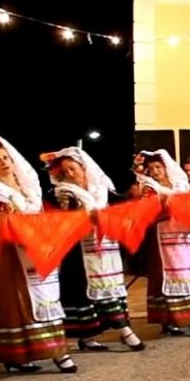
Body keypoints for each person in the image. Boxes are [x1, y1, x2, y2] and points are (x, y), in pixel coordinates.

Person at [0, 134, 74, 373]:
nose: (4, 162)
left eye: (6, 157)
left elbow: (45, 217)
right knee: (21, 304)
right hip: (13, 255)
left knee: (48, 299)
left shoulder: (29, 189)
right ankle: (27, 355)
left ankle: (56, 349)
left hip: (39, 250)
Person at [43, 147, 144, 352]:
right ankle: (124, 331)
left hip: (107, 247)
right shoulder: (65, 192)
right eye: (66, 171)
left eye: (73, 168)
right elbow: (67, 219)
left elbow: (119, 206)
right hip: (81, 251)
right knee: (90, 291)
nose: (70, 174)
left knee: (109, 287)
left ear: (83, 167)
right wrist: (86, 218)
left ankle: (88, 337)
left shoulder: (101, 188)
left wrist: (134, 199)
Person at [135, 150, 190, 337]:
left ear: (166, 168)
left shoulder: (179, 184)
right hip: (162, 236)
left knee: (188, 273)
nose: (154, 171)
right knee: (166, 276)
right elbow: (146, 213)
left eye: (158, 167)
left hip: (183, 235)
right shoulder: (149, 188)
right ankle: (169, 320)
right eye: (151, 168)